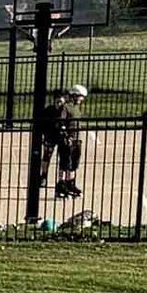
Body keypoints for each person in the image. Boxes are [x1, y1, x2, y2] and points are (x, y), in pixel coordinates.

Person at [35, 82, 88, 230]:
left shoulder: (76, 108)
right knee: (62, 161)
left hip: (75, 139)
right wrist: (64, 134)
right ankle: (59, 184)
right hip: (61, 138)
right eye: (81, 97)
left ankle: (70, 183)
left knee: (73, 163)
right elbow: (61, 122)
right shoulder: (63, 108)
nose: (82, 100)